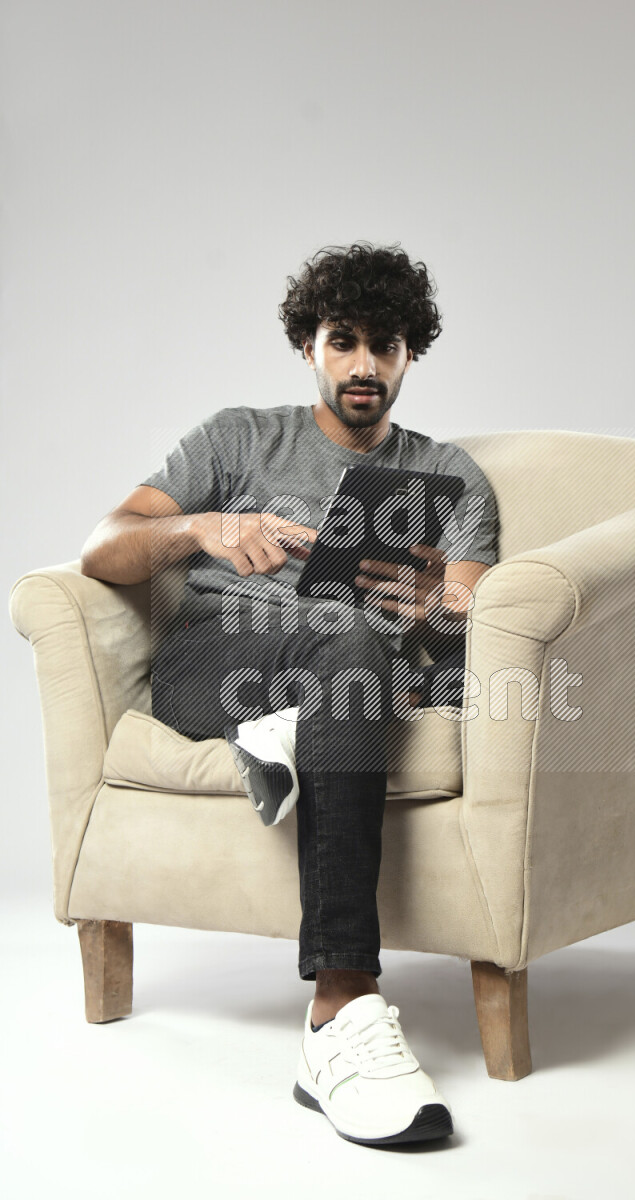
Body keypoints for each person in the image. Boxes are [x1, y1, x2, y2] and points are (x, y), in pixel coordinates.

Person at [79, 241, 499, 1147]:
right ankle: (343, 1003)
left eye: (384, 345)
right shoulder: (237, 436)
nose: (363, 365)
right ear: (309, 345)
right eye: (342, 340)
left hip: (353, 669)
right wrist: (205, 528)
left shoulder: (451, 476)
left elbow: (469, 621)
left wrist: (435, 606)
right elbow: (103, 548)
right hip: (212, 659)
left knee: (356, 648)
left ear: (408, 355)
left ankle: (336, 1008)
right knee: (349, 655)